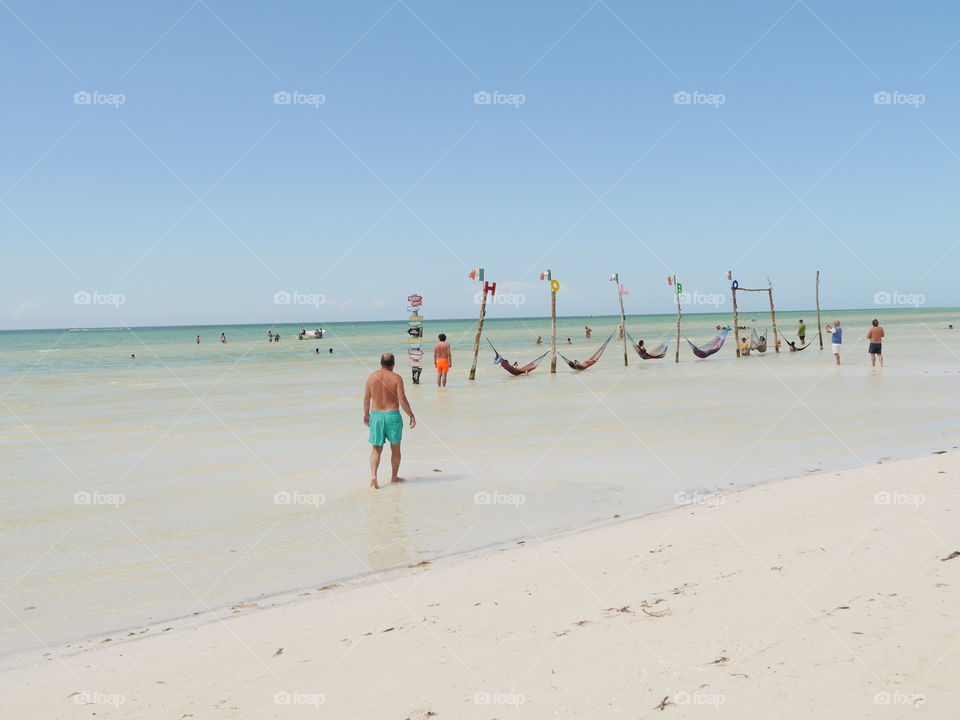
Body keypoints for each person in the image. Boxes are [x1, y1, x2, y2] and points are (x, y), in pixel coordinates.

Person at [363, 353, 415, 489]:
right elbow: (402, 400)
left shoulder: (371, 377)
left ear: (381, 363)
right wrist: (411, 415)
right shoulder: (397, 378)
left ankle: (374, 476)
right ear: (393, 364)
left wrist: (366, 414)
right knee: (395, 448)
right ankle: (394, 476)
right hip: (392, 416)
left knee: (376, 448)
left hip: (376, 415)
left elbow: (366, 398)